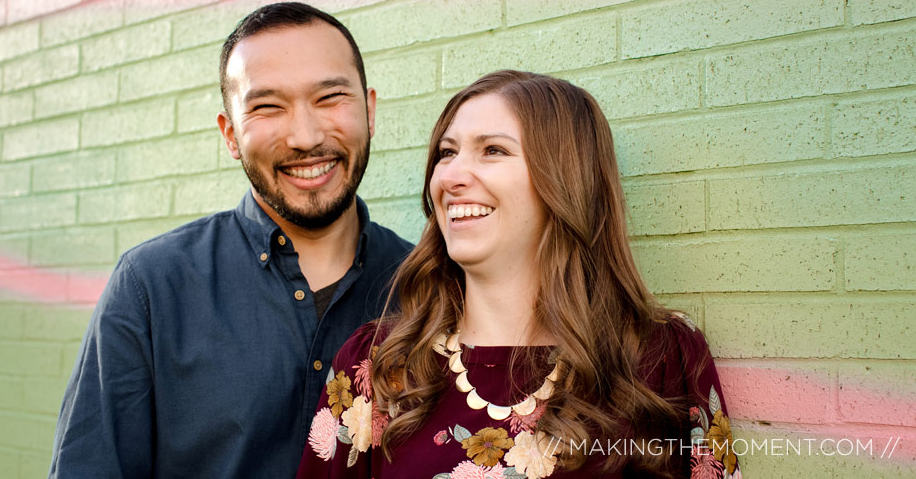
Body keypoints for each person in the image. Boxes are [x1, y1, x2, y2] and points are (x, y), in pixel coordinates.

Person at [298, 70, 741, 478]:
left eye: (493, 150)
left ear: (565, 180)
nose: (451, 175)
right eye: (447, 153)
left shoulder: (659, 358)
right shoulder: (375, 367)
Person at [49, 3, 412, 478]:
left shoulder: (428, 287)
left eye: (329, 98)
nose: (305, 136)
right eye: (267, 107)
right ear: (230, 135)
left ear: (370, 110)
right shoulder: (151, 286)